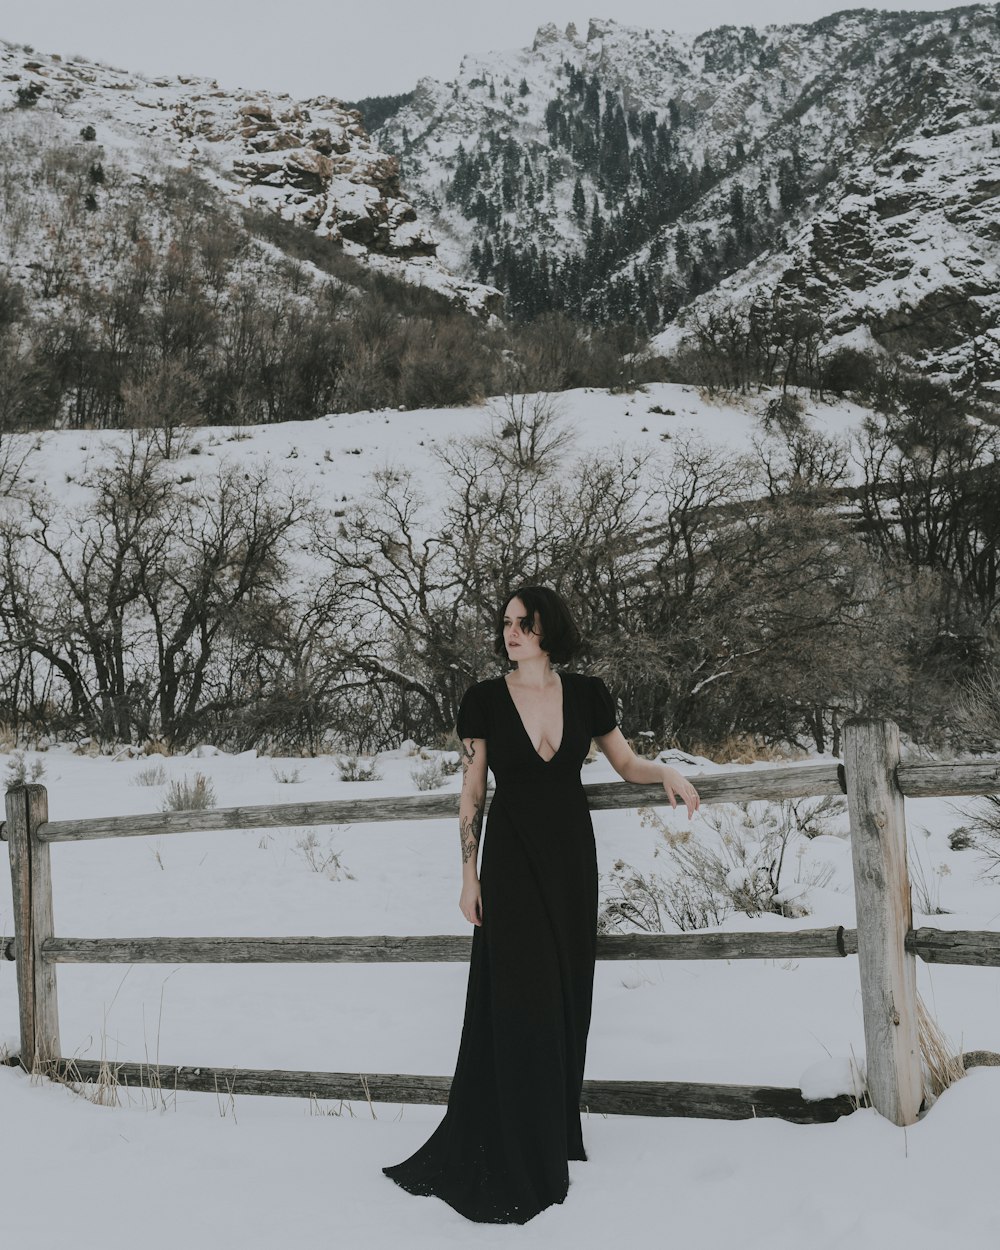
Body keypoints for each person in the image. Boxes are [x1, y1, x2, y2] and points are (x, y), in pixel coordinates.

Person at [383, 584, 700, 1224]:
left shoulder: (588, 693)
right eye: (506, 623)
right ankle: (517, 1140)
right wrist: (468, 874)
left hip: (570, 866)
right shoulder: (481, 699)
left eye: (523, 623)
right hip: (511, 864)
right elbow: (471, 793)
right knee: (520, 996)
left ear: (549, 628)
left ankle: (552, 1133)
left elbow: (624, 761)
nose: (512, 632)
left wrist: (665, 771)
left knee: (565, 994)